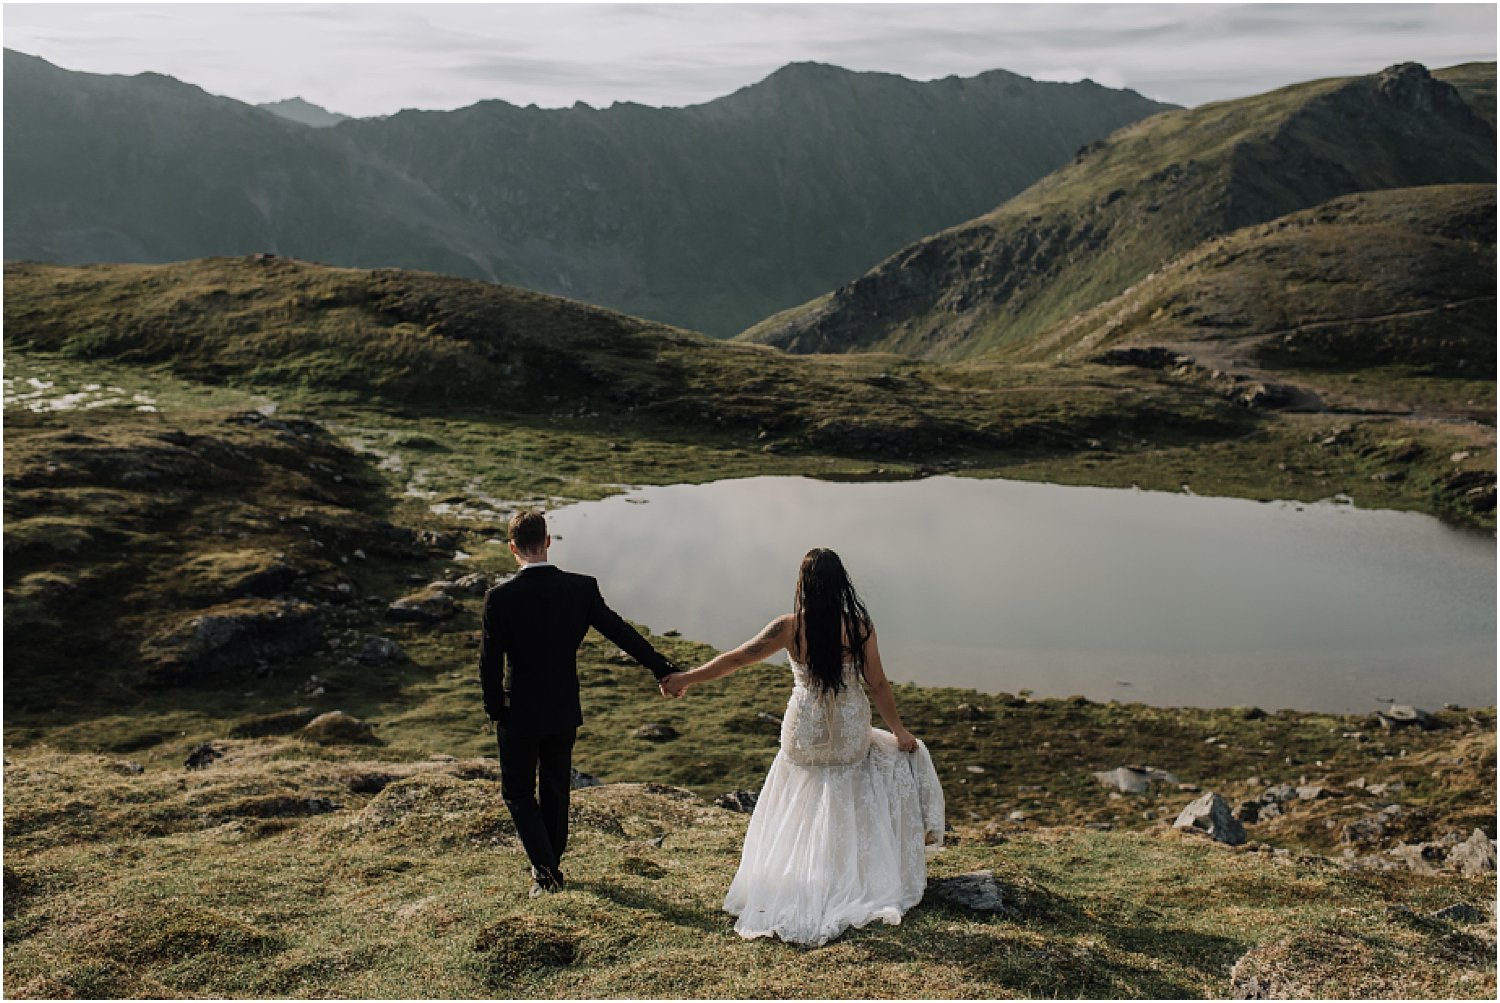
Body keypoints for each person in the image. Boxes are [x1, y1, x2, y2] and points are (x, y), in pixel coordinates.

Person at [661, 548, 944, 946]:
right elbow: (878, 684)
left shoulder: (788, 627)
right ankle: (853, 874)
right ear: (841, 583)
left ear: (804, 586)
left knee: (800, 791)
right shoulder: (859, 627)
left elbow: (738, 659)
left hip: (805, 730)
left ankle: (794, 877)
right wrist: (899, 732)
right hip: (847, 731)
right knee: (863, 775)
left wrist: (686, 678)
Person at [479, 509, 679, 898]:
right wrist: (662, 668)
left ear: (512, 548)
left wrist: (496, 709)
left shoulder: (500, 598)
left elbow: (489, 662)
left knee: (518, 794)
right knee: (556, 788)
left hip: (518, 712)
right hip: (563, 709)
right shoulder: (581, 588)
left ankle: (546, 872)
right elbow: (620, 632)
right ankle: (548, 867)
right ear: (547, 542)